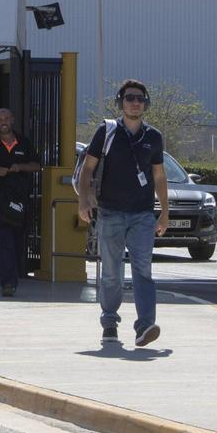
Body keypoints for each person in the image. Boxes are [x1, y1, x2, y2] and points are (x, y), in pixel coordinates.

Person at [77, 80, 168, 347]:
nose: (135, 102)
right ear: (121, 102)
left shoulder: (153, 137)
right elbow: (87, 169)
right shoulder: (106, 132)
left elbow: (159, 176)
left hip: (142, 214)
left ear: (146, 103)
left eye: (140, 98)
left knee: (143, 270)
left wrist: (164, 212)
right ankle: (109, 322)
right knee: (112, 272)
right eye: (129, 98)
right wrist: (84, 200)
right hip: (110, 212)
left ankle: (145, 325)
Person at [0, 108, 41, 297]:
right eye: (0, 119)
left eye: (6, 118)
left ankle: (15, 275)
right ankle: (8, 283)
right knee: (4, 243)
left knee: (18, 243)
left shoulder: (24, 143)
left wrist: (19, 167)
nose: (3, 122)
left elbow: (37, 165)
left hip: (21, 202)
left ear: (12, 120)